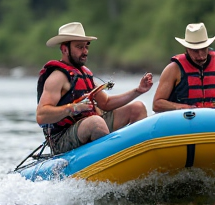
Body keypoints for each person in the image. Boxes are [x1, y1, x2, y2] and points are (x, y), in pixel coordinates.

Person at [37, 22, 153, 155]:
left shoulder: (84, 74)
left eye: (86, 47)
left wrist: (138, 90)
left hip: (90, 125)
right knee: (96, 123)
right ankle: (111, 160)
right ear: (64, 49)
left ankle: (138, 155)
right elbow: (41, 116)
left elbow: (106, 103)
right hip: (63, 139)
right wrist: (73, 108)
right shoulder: (57, 77)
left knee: (137, 108)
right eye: (79, 47)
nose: (85, 51)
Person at [153, 22, 215, 124]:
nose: (201, 56)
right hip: (184, 123)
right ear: (187, 49)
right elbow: (157, 104)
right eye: (195, 51)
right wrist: (181, 107)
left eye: (203, 49)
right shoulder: (173, 70)